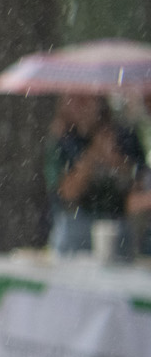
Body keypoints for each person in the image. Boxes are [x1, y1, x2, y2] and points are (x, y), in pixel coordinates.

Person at [45, 92, 143, 254]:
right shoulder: (62, 141)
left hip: (116, 225)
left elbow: (138, 187)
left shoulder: (125, 135)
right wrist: (93, 156)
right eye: (71, 99)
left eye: (84, 98)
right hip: (74, 227)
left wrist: (115, 161)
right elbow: (67, 192)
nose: (78, 105)